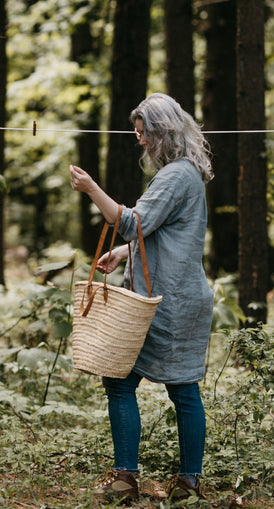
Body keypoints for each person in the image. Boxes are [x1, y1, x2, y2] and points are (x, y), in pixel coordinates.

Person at [70, 93, 214, 502]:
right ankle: (163, 480)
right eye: (136, 134)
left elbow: (132, 222)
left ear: (162, 132)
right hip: (169, 296)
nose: (140, 141)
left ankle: (153, 480)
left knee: (177, 388)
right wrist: (122, 252)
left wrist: (90, 187)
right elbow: (166, 234)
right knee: (128, 380)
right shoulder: (183, 174)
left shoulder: (175, 176)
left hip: (172, 303)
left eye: (143, 134)